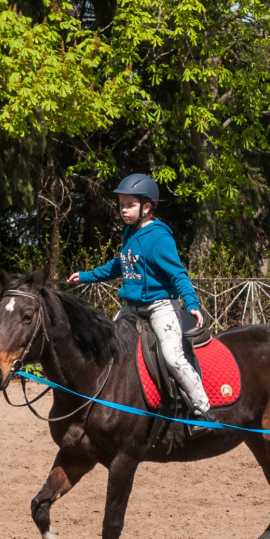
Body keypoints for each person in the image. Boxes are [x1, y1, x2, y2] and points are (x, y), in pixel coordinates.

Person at [66, 174, 216, 425]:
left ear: (146, 207)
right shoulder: (129, 233)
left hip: (160, 307)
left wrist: (192, 304)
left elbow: (178, 274)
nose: (123, 210)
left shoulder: (159, 237)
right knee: (106, 347)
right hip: (131, 309)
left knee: (173, 357)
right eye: (121, 205)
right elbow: (120, 265)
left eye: (129, 205)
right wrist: (86, 276)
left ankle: (202, 407)